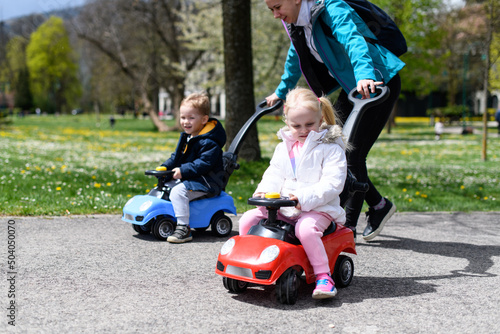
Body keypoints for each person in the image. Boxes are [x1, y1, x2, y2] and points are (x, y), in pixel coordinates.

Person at [263, 0, 405, 240]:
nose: (276, 15)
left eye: (278, 7)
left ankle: (345, 228)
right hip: (354, 87)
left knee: (351, 154)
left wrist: (365, 75)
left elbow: (353, 38)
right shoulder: (298, 23)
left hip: (376, 82)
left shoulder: (330, 7)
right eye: (271, 10)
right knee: (332, 147)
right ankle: (379, 205)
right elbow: (296, 55)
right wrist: (281, 91)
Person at [239, 87, 347, 299]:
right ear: (286, 120)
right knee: (248, 219)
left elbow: (333, 183)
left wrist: (303, 199)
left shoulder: (331, 148)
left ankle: (323, 276)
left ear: (320, 118)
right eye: (296, 125)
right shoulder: (284, 148)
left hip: (318, 208)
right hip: (284, 207)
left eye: (310, 124)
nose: (303, 130)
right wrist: (265, 193)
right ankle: (248, 263)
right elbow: (274, 174)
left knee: (305, 229)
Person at [160, 92, 227, 243]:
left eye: (191, 118)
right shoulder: (188, 137)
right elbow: (176, 157)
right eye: (183, 117)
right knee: (166, 185)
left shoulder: (210, 143)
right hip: (194, 178)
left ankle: (184, 228)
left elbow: (203, 164)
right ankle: (168, 216)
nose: (186, 122)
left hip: (207, 182)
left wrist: (182, 171)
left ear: (204, 119)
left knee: (177, 191)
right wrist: (165, 168)